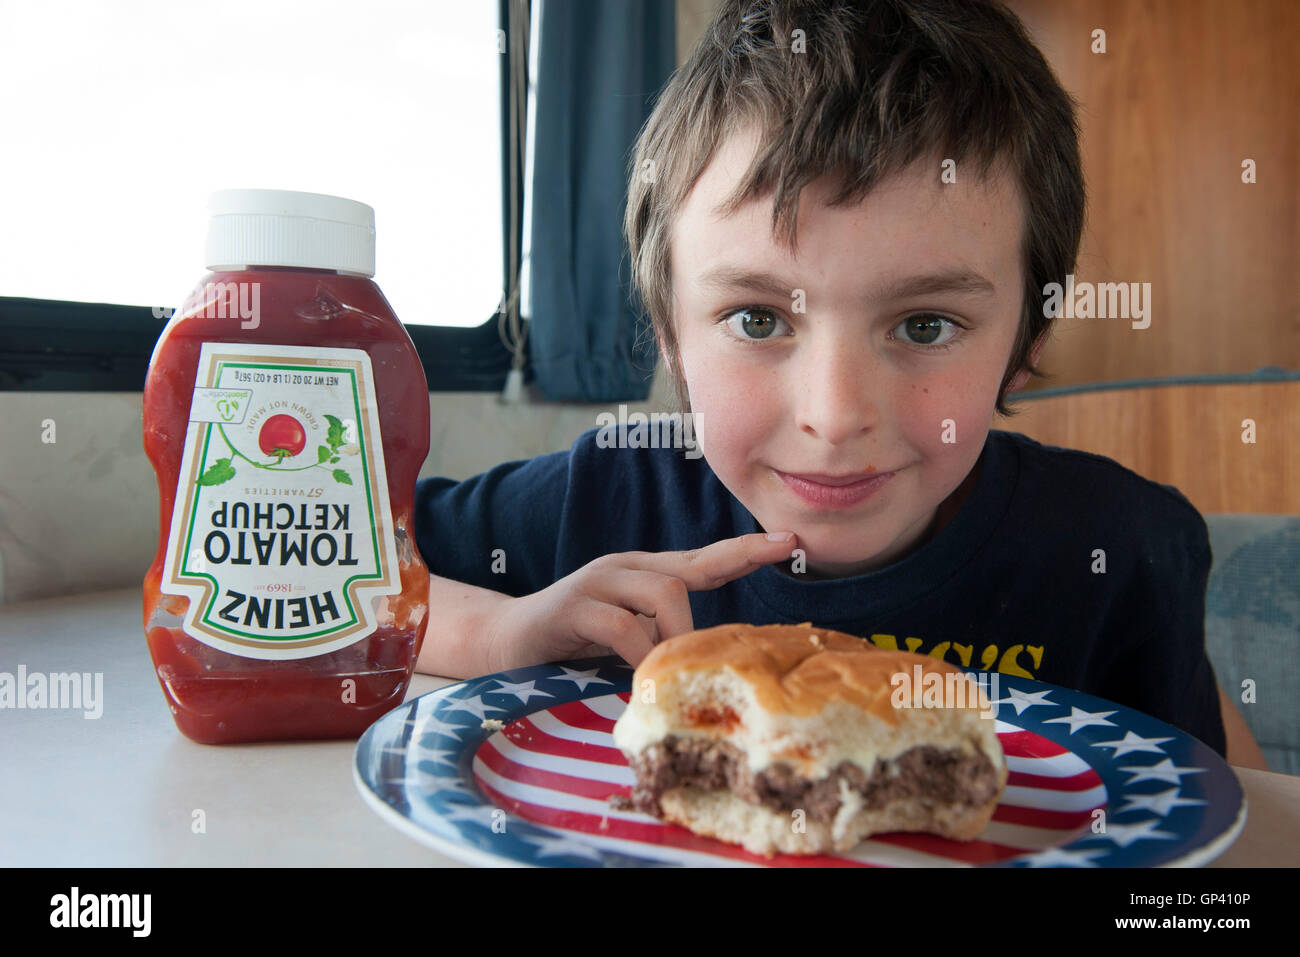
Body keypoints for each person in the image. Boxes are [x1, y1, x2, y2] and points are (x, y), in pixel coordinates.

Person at [412, 0, 1267, 768]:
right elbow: (327, 568)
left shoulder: (1120, 548)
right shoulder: (601, 498)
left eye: (925, 325)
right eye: (757, 319)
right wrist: (500, 632)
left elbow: (1218, 824)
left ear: (1027, 339)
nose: (835, 414)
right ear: (671, 335)